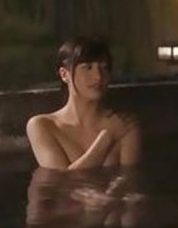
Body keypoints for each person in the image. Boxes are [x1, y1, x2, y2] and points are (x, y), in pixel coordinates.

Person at [26, 37, 141, 170]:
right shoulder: (43, 125)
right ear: (64, 74)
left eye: (104, 68)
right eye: (87, 67)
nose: (98, 76)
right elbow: (60, 180)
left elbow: (130, 179)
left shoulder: (124, 124)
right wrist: (107, 138)